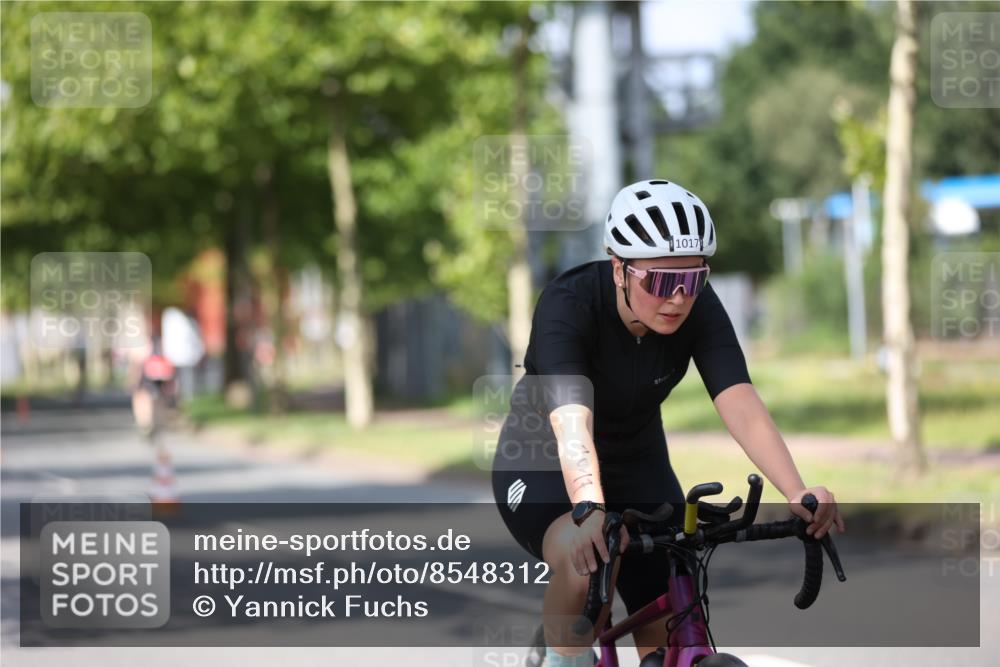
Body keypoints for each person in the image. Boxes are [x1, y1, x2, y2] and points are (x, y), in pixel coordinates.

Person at [491, 179, 845, 666]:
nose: (678, 297)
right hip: (543, 462)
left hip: (638, 460)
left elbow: (739, 400)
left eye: (693, 279)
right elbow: (572, 424)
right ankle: (559, 658)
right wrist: (590, 507)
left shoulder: (696, 305)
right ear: (620, 268)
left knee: (668, 597)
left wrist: (797, 491)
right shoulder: (568, 305)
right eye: (660, 281)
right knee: (586, 559)